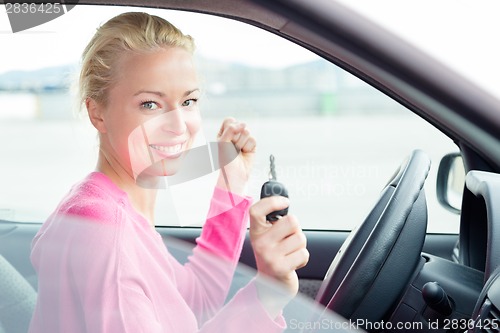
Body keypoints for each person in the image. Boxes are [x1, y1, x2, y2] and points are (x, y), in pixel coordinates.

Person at [28, 12, 309, 333]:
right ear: (98, 113)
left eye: (188, 101)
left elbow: (194, 303)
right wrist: (268, 294)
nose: (179, 126)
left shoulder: (111, 208)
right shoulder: (105, 229)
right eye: (150, 104)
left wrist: (232, 179)